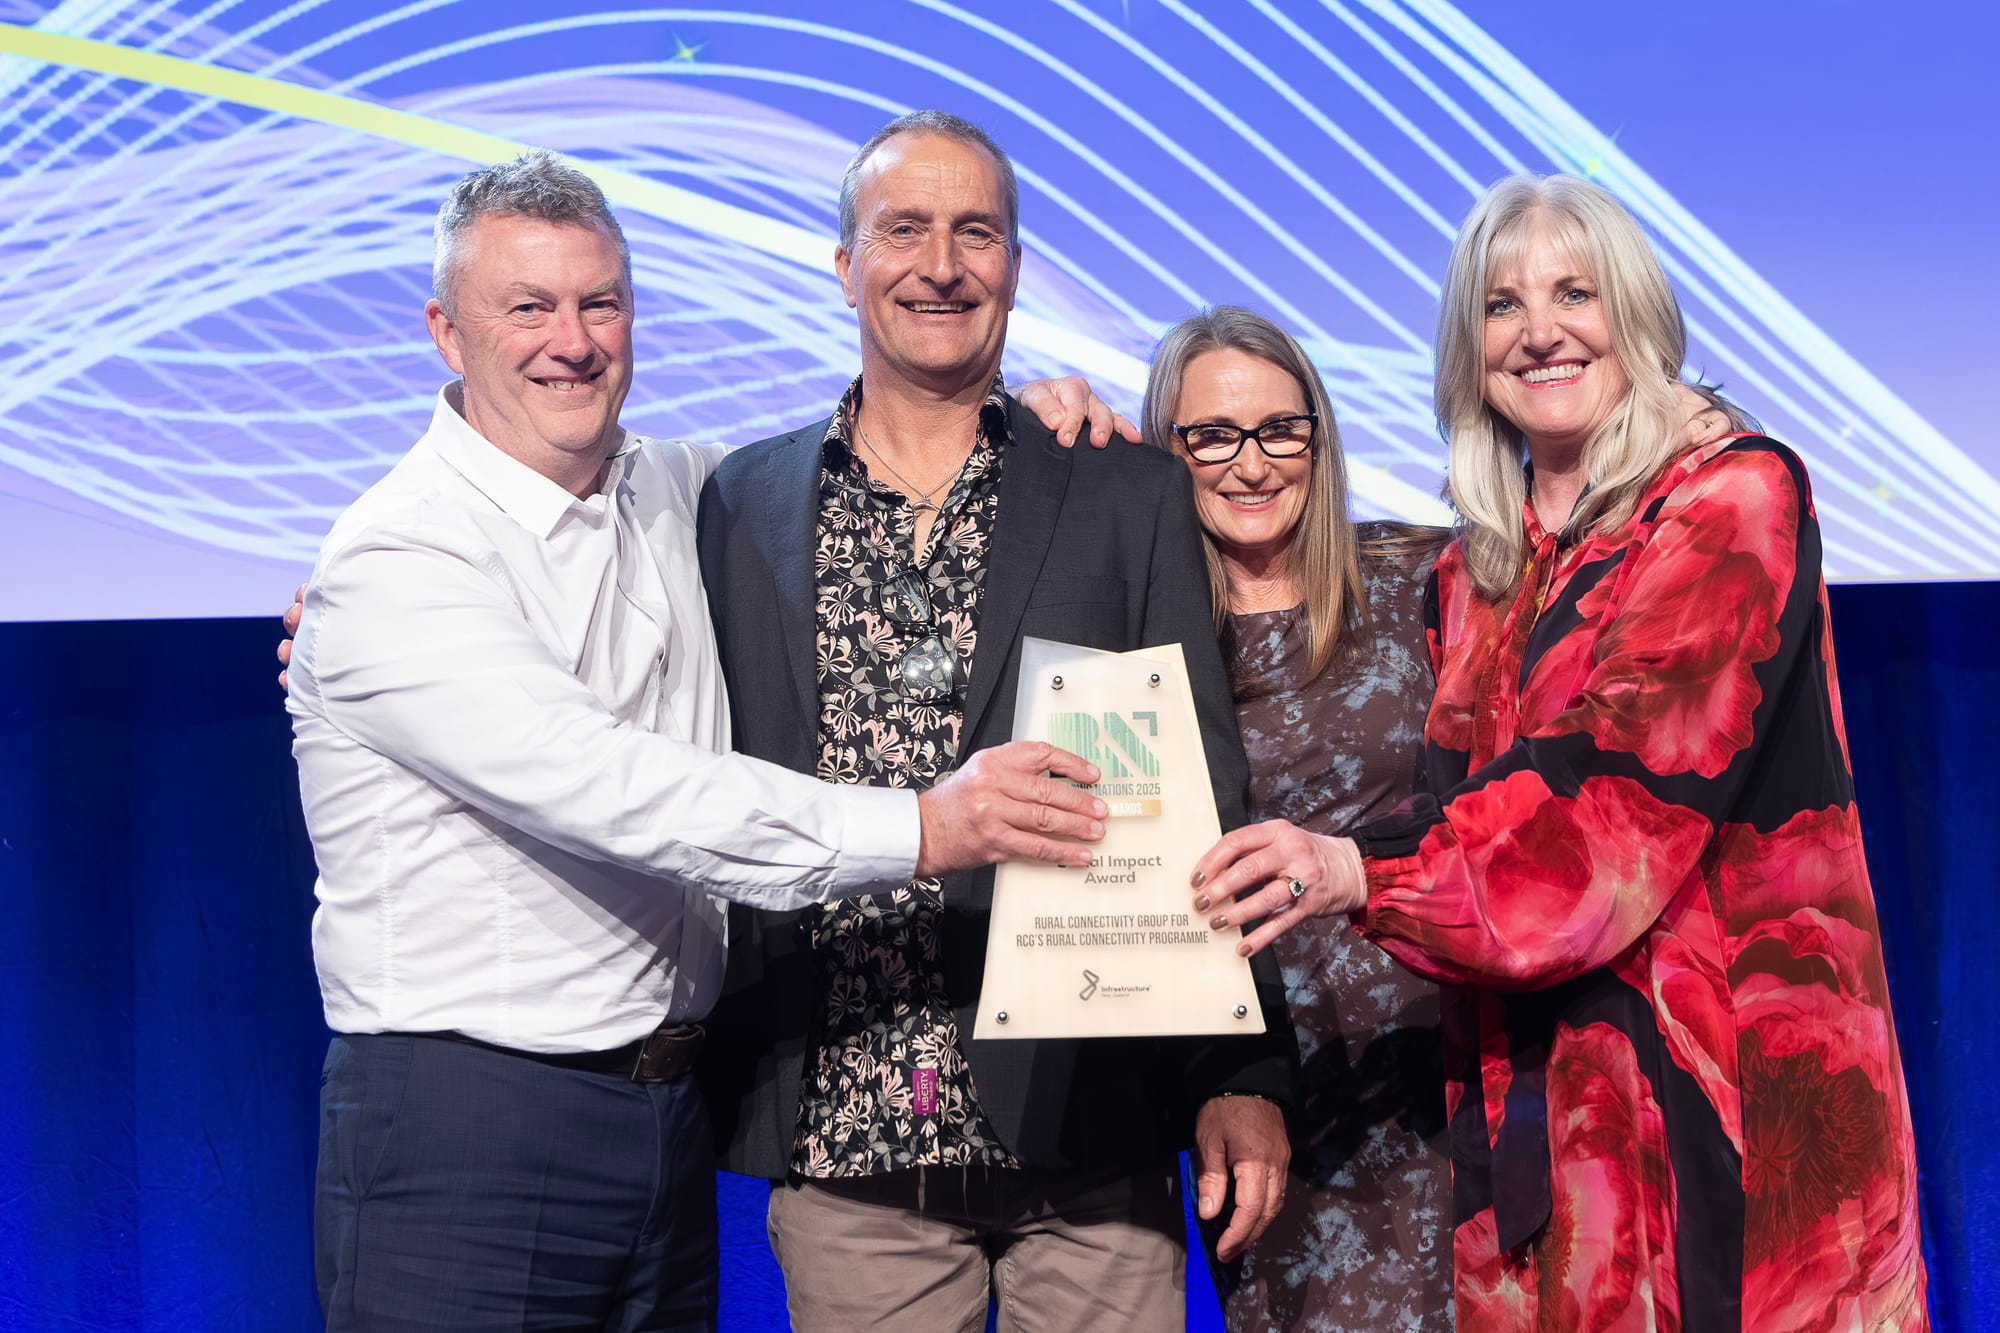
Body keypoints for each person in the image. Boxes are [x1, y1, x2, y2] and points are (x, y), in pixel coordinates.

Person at [284, 149, 1127, 1332]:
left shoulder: (682, 489)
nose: (570, 340)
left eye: (600, 302)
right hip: (466, 1119)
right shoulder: (397, 557)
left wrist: (1019, 409)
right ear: (443, 330)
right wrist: (931, 825)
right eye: (525, 306)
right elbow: (619, 788)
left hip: (662, 1118)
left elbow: (886, 448)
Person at [1194, 175, 1928, 1328]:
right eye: (1500, 306)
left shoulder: (1731, 498)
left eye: (1573, 292)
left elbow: (1598, 828)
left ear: (1633, 314)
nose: (1537, 330)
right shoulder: (1474, 569)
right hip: (1540, 1126)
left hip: (1725, 1121)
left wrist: (1351, 870)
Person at [695, 111, 1298, 1333]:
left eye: (977, 232)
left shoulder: (1120, 486)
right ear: (843, 263)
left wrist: (1237, 1067)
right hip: (847, 1130)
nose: (941, 263)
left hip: (1090, 1123)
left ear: (1015, 265)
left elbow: (1205, 789)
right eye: (902, 229)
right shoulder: (741, 498)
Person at [1141, 306, 1453, 1330]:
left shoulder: (1424, 577)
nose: (1250, 462)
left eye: (1281, 428)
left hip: (1439, 1067)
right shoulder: (1137, 637)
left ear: (1318, 435)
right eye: (1212, 435)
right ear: (1165, 448)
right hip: (1266, 1086)